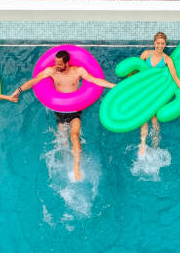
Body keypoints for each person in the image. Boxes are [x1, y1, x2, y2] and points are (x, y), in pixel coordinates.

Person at [12, 50, 115, 181]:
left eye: (60, 64)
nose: (57, 66)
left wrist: (114, 86)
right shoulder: (52, 71)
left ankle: (76, 168)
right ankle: (65, 164)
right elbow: (34, 81)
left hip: (75, 109)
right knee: (63, 142)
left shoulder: (78, 71)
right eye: (56, 63)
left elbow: (95, 81)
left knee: (74, 135)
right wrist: (18, 91)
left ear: (67, 63)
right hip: (59, 109)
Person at [138, 32, 180, 156]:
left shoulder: (167, 59)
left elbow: (175, 76)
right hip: (145, 89)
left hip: (157, 92)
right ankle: (143, 145)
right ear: (154, 42)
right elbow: (136, 70)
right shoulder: (146, 54)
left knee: (155, 119)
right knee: (144, 117)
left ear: (165, 44)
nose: (160, 46)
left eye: (162, 44)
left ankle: (155, 146)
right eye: (158, 43)